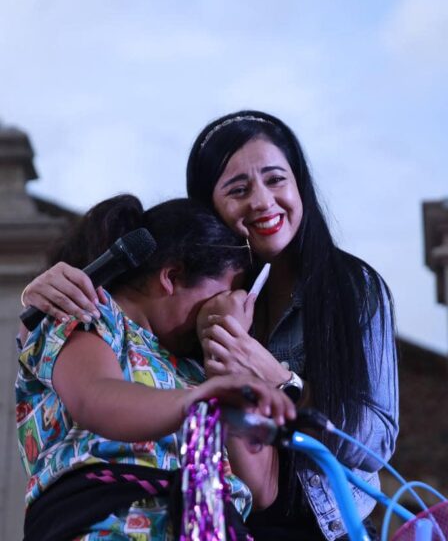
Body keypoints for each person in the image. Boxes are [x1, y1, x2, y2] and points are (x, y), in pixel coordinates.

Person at [21, 111, 398, 540]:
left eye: (276, 179)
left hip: (322, 522)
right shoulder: (149, 327)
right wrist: (217, 382)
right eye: (238, 189)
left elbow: (377, 442)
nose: (261, 200)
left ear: (299, 185)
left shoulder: (352, 287)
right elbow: (96, 391)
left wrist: (278, 381)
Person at [16, 194, 296, 541]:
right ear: (172, 276)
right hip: (105, 524)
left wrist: (230, 364)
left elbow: (262, 489)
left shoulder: (199, 373)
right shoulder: (89, 315)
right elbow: (96, 397)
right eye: (230, 290)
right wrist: (198, 402)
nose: (235, 305)